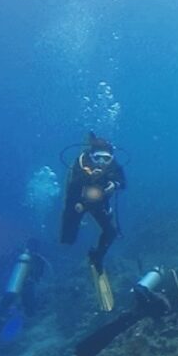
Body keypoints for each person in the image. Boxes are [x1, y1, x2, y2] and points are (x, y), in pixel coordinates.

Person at [60, 132, 126, 309]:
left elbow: (123, 181)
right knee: (67, 238)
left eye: (107, 158)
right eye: (98, 158)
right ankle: (69, 261)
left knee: (111, 232)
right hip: (78, 203)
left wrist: (115, 185)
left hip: (99, 203)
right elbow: (72, 187)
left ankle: (97, 256)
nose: (103, 162)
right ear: (91, 156)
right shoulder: (81, 163)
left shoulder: (113, 165)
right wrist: (88, 179)